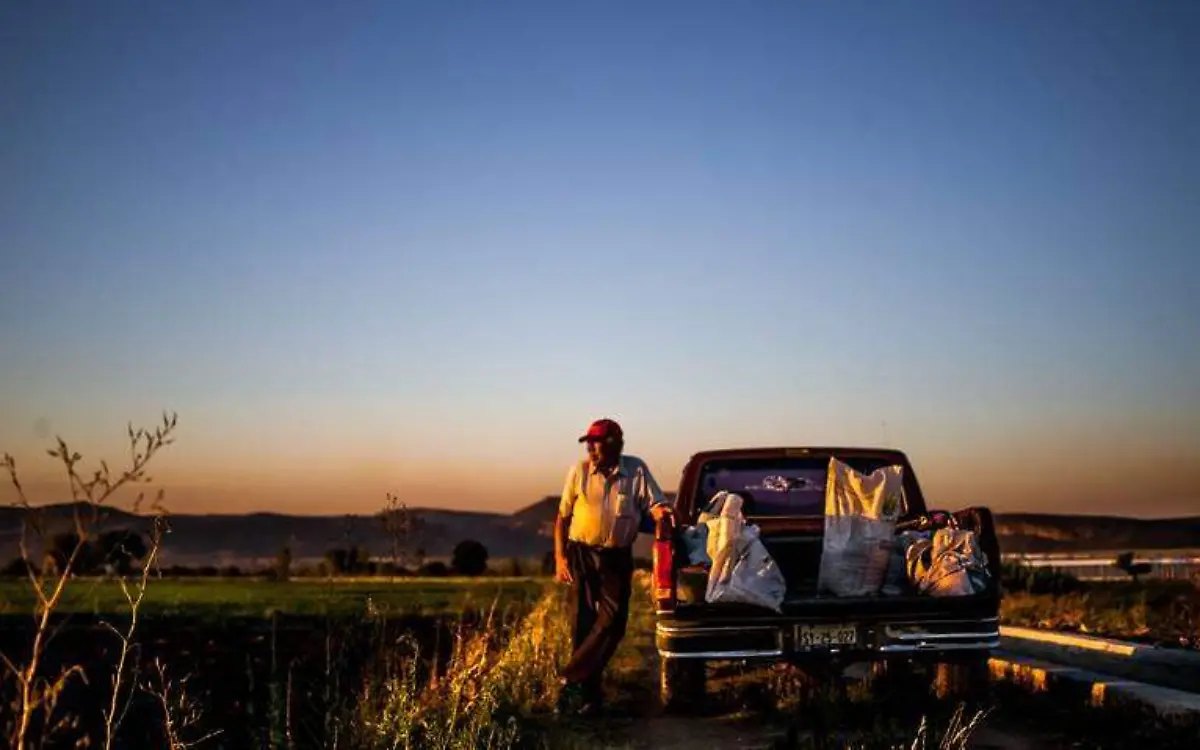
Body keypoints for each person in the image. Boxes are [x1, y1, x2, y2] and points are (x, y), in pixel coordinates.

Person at [554, 417, 673, 716]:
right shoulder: (578, 472)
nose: (591, 449)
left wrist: (662, 513)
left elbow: (655, 503)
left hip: (616, 556)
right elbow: (562, 517)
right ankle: (586, 699)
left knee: (614, 622)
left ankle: (571, 674)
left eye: (597, 443)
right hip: (581, 552)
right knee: (584, 624)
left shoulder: (635, 470)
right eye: (589, 443)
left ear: (614, 444)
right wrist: (560, 558)